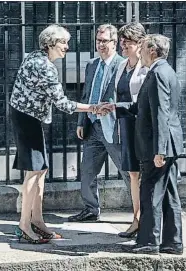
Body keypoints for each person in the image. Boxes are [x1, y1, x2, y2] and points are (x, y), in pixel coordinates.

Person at [10, 24, 104, 244]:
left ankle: (38, 221)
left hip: (26, 116)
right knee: (34, 172)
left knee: (40, 169)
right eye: (63, 42)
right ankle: (25, 225)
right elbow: (62, 103)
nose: (67, 47)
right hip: (27, 118)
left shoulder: (35, 57)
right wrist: (93, 108)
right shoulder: (45, 66)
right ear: (50, 42)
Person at [101, 34, 184, 255]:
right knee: (169, 195)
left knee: (151, 193)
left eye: (143, 47)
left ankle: (149, 242)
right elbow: (142, 107)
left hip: (157, 147)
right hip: (169, 144)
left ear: (153, 51)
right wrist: (115, 107)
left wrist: (160, 150)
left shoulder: (157, 74)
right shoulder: (165, 71)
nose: (140, 51)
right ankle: (173, 243)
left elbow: (161, 114)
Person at [67, 24, 131, 222]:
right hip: (92, 126)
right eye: (98, 41)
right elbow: (86, 95)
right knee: (87, 171)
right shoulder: (92, 65)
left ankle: (141, 210)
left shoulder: (123, 64)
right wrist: (81, 121)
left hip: (113, 127)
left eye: (105, 41)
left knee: (128, 171)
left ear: (114, 43)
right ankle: (90, 209)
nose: (101, 45)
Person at [114, 22, 148, 238]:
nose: (123, 45)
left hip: (141, 126)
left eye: (128, 41)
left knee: (145, 174)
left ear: (140, 43)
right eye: (122, 41)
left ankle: (146, 218)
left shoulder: (146, 68)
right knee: (133, 173)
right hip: (126, 125)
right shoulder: (121, 65)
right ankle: (136, 218)